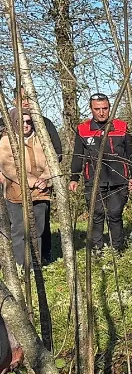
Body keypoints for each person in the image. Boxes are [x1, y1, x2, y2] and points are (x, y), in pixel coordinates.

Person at [69, 93, 132, 251]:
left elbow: (131, 153)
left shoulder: (121, 127)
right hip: (93, 180)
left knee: (115, 215)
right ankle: (97, 250)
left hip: (119, 179)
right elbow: (77, 156)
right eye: (97, 109)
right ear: (91, 109)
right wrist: (74, 177)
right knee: (96, 215)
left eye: (105, 108)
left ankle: (118, 250)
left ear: (110, 108)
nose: (101, 112)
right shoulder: (83, 129)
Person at [9, 87, 63, 262]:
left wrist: (46, 178)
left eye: (29, 98)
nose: (26, 102)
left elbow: (57, 153)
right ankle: (16, 262)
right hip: (10, 184)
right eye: (22, 98)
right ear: (14, 100)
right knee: (16, 225)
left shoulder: (44, 124)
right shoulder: (5, 124)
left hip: (41, 185)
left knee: (41, 224)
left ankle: (42, 259)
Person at [0, 110, 53, 265]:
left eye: (29, 122)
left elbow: (52, 162)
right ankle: (21, 265)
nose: (25, 125)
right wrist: (31, 180)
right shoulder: (5, 142)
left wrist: (45, 180)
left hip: (41, 191)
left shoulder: (43, 140)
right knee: (19, 230)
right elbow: (8, 167)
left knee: (38, 229)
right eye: (21, 122)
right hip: (16, 192)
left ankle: (36, 265)